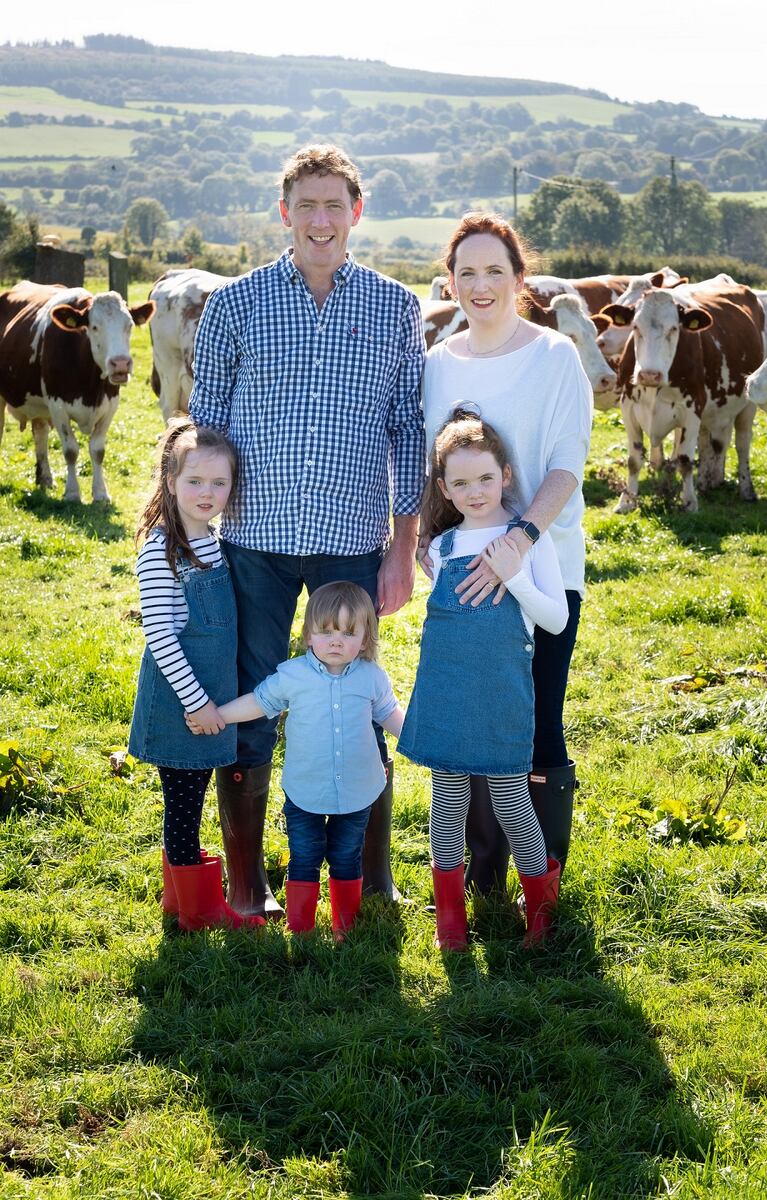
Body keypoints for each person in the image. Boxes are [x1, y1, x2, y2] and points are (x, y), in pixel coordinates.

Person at [188, 144, 425, 918]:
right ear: (283, 212)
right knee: (254, 697)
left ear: (357, 213)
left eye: (335, 206)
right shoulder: (235, 304)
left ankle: (373, 873)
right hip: (253, 538)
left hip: (352, 536)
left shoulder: (393, 306)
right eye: (306, 205)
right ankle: (249, 879)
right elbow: (207, 424)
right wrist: (191, 527)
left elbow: (408, 430)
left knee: (358, 696)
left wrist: (402, 547)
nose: (321, 220)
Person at [420, 213, 593, 892]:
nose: (481, 284)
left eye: (496, 270)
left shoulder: (554, 356)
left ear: (521, 279)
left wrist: (521, 541)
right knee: (470, 722)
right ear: (451, 281)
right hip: (466, 582)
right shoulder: (437, 365)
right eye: (467, 272)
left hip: (542, 566)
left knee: (534, 718)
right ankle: (482, 877)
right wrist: (434, 549)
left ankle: (543, 881)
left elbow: (565, 463)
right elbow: (436, 468)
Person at [398, 412, 567, 949]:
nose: (475, 492)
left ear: (507, 476)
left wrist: (515, 577)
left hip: (501, 689)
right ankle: (450, 915)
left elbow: (555, 620)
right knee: (446, 802)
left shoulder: (527, 541)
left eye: (486, 479)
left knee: (511, 798)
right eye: (462, 483)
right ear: (444, 489)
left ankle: (541, 907)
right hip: (447, 684)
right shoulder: (442, 548)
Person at [188, 582, 404, 940]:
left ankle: (344, 927)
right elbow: (259, 702)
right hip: (305, 789)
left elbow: (391, 716)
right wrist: (219, 715)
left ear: (366, 640)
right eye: (326, 631)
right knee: (304, 854)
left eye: (349, 633)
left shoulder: (371, 678)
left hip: (357, 789)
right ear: (308, 636)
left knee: (348, 854)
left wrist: (423, 740)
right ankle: (301, 927)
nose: (336, 641)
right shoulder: (293, 675)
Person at [127, 420, 265, 932]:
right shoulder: (160, 551)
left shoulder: (214, 540)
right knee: (184, 804)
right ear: (169, 480)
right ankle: (198, 912)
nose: (207, 494)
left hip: (208, 703)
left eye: (220, 483)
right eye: (195, 482)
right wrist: (196, 703)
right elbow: (161, 637)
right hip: (183, 707)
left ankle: (180, 901)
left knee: (191, 798)